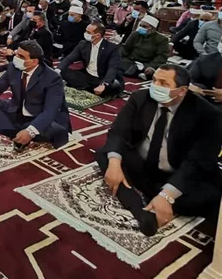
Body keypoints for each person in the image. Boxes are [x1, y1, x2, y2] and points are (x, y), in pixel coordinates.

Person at [95, 65, 222, 237]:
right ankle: (141, 211)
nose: (155, 86)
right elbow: (118, 131)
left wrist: (167, 195)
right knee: (107, 155)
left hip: (177, 172)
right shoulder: (140, 97)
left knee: (208, 196)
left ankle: (154, 199)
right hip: (144, 164)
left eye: (163, 83)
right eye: (154, 80)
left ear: (182, 91)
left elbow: (197, 161)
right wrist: (115, 163)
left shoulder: (207, 114)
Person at [0, 40, 71, 149]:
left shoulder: (52, 78)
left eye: (21, 56)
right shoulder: (13, 67)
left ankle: (17, 129)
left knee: (50, 128)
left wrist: (30, 131)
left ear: (34, 62)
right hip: (17, 109)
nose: (16, 58)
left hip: (38, 115)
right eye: (16, 54)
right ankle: (13, 131)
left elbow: (50, 111)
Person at [59, 23, 124, 98]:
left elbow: (113, 68)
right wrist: (58, 70)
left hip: (103, 78)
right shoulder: (83, 44)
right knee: (63, 71)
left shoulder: (112, 48)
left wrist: (104, 84)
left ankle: (87, 87)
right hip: (88, 75)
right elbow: (69, 58)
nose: (85, 34)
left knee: (114, 86)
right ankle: (90, 87)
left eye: (88, 32)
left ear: (98, 35)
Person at [120, 15, 169, 80]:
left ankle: (136, 71)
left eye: (144, 26)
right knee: (116, 61)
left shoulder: (162, 39)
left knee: (154, 70)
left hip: (146, 64)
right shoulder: (135, 34)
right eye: (140, 25)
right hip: (131, 61)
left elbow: (161, 57)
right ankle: (138, 73)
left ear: (153, 28)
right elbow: (125, 48)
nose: (141, 28)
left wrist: (151, 66)